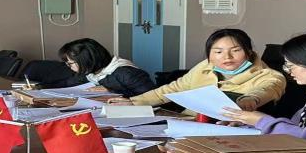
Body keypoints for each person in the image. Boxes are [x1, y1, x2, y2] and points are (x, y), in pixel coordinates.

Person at [122, 28, 285, 110]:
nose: (227, 57)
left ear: (249, 52)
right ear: (210, 55)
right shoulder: (205, 67)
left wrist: (250, 100)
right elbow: (173, 89)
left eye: (235, 51)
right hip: (189, 124)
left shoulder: (270, 76)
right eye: (218, 52)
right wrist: (134, 102)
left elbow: (267, 90)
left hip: (230, 129)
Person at [50, 38, 155, 97]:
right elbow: (69, 83)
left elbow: (151, 97)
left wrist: (111, 91)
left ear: (87, 60)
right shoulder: (91, 72)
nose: (68, 66)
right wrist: (42, 88)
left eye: (70, 63)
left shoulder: (126, 73)